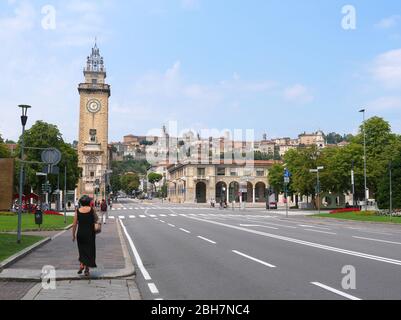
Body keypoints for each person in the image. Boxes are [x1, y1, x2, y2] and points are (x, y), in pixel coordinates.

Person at [72, 195, 98, 277]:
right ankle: (87, 270)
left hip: (80, 233)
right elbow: (96, 219)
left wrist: (73, 235)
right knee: (89, 251)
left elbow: (74, 224)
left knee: (82, 250)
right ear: (89, 202)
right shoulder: (91, 210)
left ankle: (81, 264)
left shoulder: (78, 210)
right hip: (90, 233)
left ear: (81, 202)